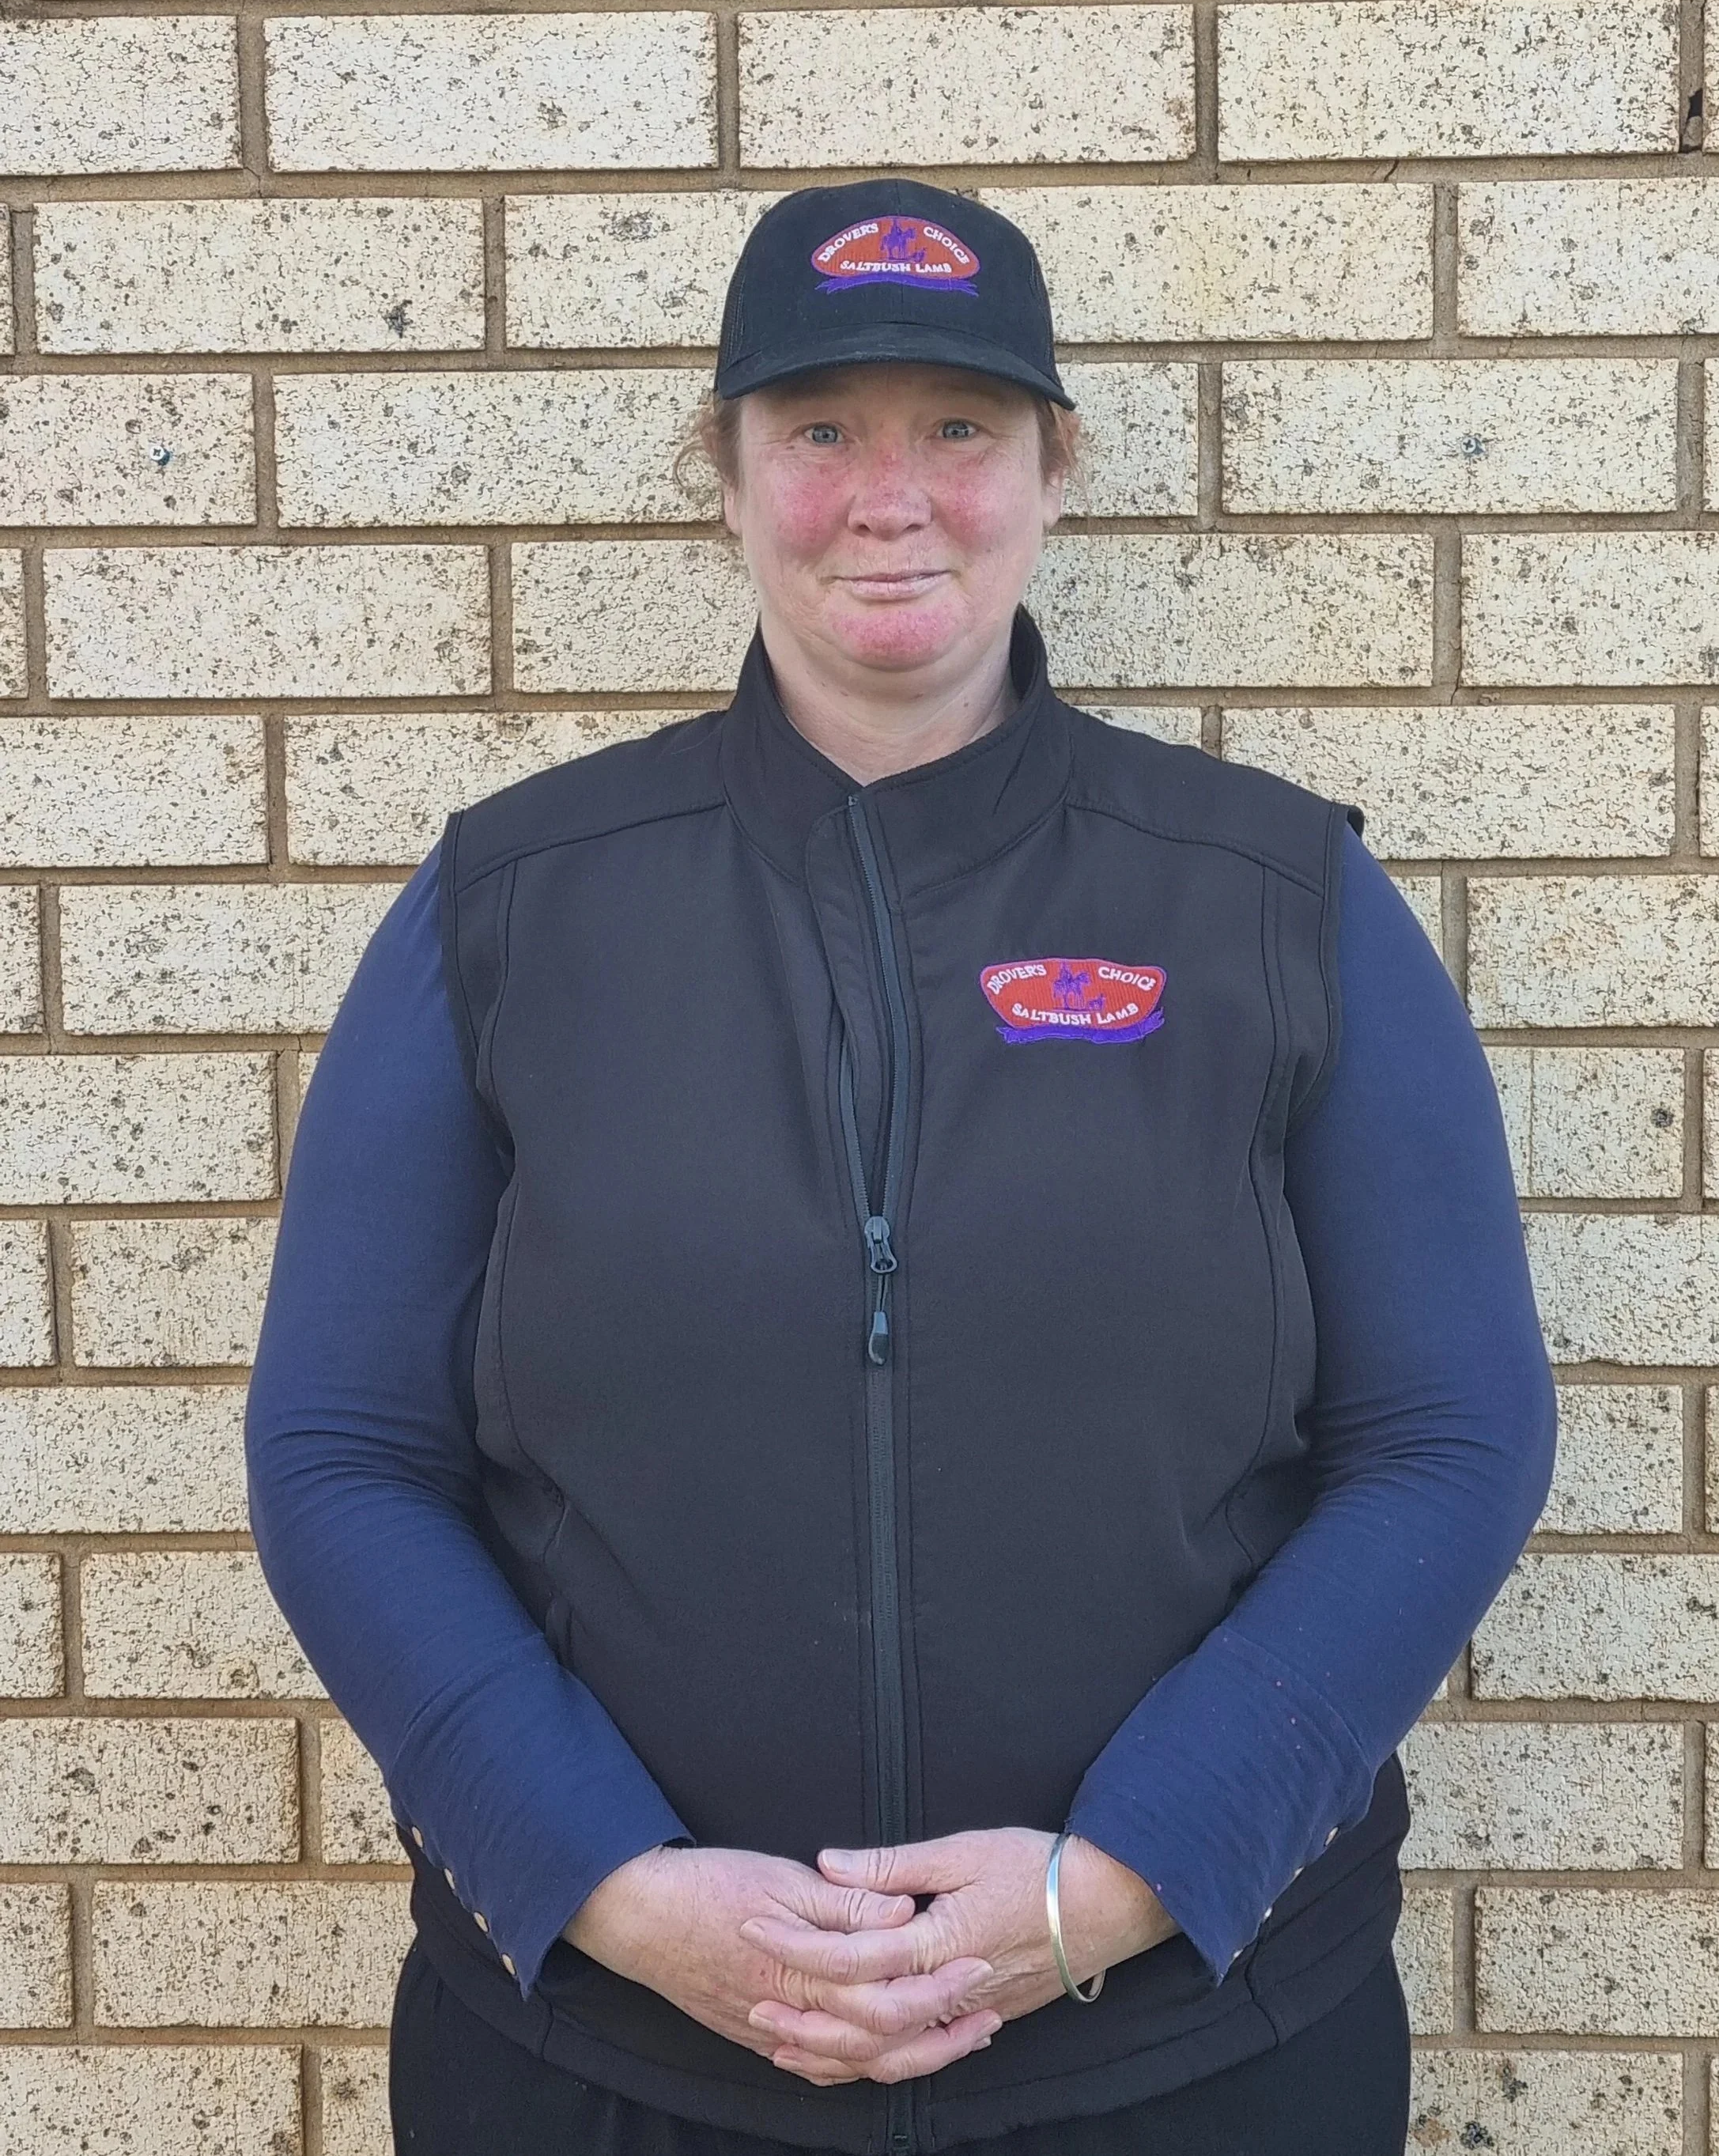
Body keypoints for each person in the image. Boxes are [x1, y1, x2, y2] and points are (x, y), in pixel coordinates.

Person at [244, 178, 1558, 2156]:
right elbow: (341, 1451)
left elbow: (1448, 1436)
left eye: (958, 426)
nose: (891, 496)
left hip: (1189, 2050)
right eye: (818, 431)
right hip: (609, 2058)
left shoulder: (1273, 897)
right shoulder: (513, 906)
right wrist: (604, 1884)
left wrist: (1127, 1876)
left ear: (1050, 472)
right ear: (725, 474)